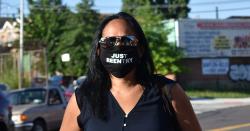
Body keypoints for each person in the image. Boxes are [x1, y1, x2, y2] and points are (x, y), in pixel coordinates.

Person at [60, 12, 201, 131]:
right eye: (110, 41)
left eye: (127, 40)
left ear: (140, 49)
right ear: (98, 50)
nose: (118, 46)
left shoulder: (168, 92)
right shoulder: (83, 98)